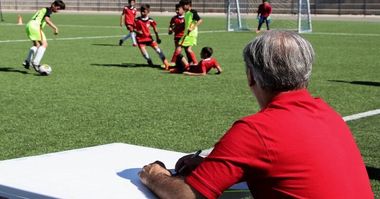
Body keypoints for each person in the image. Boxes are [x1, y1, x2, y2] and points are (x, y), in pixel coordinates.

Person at [139, 30, 373, 199]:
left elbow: (186, 197)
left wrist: (155, 175)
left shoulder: (255, 130)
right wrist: (212, 168)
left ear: (251, 76)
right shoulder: (328, 114)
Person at [23, 0, 66, 73]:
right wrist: (55, 28)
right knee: (44, 44)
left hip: (29, 25)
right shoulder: (48, 10)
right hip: (35, 26)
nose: (58, 11)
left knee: (36, 45)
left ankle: (27, 61)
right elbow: (47, 20)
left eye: (60, 9)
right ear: (53, 5)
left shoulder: (44, 9)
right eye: (58, 8)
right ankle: (36, 63)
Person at [134, 4, 170, 69]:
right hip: (140, 39)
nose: (142, 12)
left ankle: (166, 63)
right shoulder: (137, 20)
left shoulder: (150, 20)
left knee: (158, 50)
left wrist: (157, 37)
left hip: (149, 39)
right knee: (145, 55)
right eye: (141, 11)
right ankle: (149, 60)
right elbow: (132, 28)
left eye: (144, 11)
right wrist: (137, 31)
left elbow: (155, 29)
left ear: (148, 12)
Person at [172, 0, 203, 65]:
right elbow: (186, 23)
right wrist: (177, 27)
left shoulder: (193, 12)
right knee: (184, 48)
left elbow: (200, 20)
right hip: (186, 34)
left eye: (183, 5)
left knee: (184, 48)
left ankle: (195, 63)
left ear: (188, 5)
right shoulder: (186, 13)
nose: (182, 7)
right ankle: (190, 63)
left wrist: (193, 28)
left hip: (191, 34)